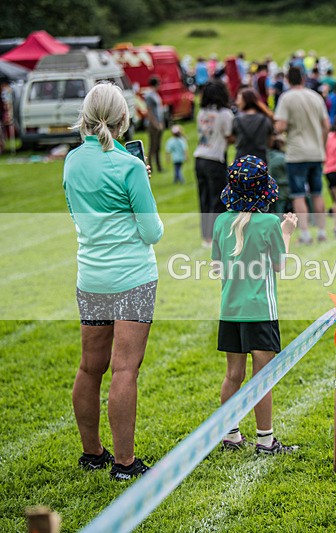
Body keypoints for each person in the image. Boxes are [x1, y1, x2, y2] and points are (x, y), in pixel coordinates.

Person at [64, 82, 163, 481]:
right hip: (132, 277)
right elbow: (152, 231)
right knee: (124, 370)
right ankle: (124, 463)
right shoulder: (130, 166)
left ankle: (93, 453)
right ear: (125, 118)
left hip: (91, 276)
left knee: (90, 367)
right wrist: (142, 183)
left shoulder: (72, 161)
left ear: (85, 117)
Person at [213, 155, 299, 455]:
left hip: (230, 311)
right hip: (261, 311)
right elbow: (279, 265)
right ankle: (265, 441)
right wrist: (287, 232)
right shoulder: (270, 223)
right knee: (263, 380)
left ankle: (231, 434)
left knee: (233, 375)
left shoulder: (220, 221)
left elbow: (217, 267)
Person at [274, 66, 330, 244]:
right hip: (316, 152)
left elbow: (281, 126)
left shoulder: (286, 98)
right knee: (317, 193)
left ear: (287, 80)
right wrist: (321, 144)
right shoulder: (315, 96)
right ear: (303, 79)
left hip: (296, 153)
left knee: (298, 195)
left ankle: (305, 233)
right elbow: (326, 125)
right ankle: (322, 231)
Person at [195, 80, 235, 247]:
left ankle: (206, 236)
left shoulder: (202, 113)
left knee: (204, 198)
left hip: (200, 157)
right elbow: (229, 136)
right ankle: (216, 236)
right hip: (215, 159)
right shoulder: (225, 114)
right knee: (218, 199)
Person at [233, 88, 274, 162]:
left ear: (245, 101)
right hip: (260, 160)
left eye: (239, 99)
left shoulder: (237, 120)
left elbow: (232, 138)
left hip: (241, 160)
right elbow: (270, 142)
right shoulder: (265, 119)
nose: (237, 102)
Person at [144, 76, 165, 173]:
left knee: (158, 146)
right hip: (153, 124)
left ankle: (159, 166)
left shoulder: (155, 94)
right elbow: (149, 111)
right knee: (152, 146)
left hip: (159, 122)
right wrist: (155, 123)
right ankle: (150, 166)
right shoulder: (149, 95)